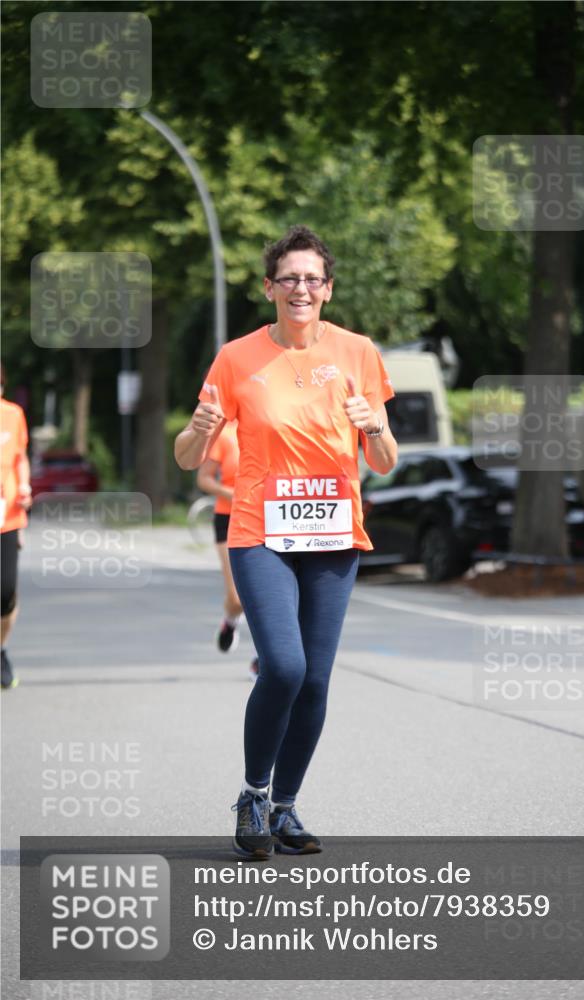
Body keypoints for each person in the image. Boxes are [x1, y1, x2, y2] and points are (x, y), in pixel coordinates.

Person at [175, 225, 397, 858]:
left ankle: (284, 807)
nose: (301, 288)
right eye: (289, 278)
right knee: (284, 666)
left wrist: (373, 425)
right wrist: (198, 429)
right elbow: (190, 456)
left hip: (333, 536)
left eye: (313, 279)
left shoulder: (358, 353)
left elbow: (382, 460)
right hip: (259, 533)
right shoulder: (236, 358)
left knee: (318, 681)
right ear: (269, 287)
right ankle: (252, 793)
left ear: (327, 290)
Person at [195, 420, 259, 678]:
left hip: (265, 520)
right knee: (237, 598)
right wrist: (233, 494)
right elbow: (204, 478)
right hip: (229, 519)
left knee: (266, 597)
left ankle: (263, 658)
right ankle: (230, 622)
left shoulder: (272, 424)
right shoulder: (225, 433)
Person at [1, 366, 32, 690]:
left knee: (5, 592)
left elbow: (20, 457)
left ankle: (1, 648)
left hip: (7, 516)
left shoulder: (12, 415)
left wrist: (23, 485)